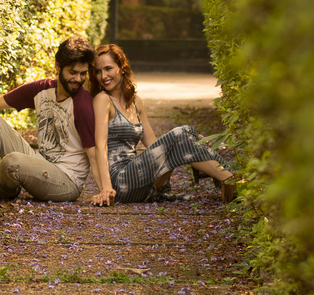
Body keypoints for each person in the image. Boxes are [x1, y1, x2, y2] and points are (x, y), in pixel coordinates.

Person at [0, 36, 104, 202]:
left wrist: (104, 190)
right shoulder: (41, 89)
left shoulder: (83, 104)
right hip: (41, 163)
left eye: (83, 74)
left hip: (67, 182)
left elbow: (94, 154)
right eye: (72, 72)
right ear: (58, 66)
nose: (78, 79)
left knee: (12, 161)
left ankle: (3, 189)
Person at [88, 43, 241, 206]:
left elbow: (154, 145)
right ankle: (233, 181)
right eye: (98, 71)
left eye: (108, 69)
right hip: (120, 182)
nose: (103, 76)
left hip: (141, 178)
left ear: (122, 68)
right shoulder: (102, 100)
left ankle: (231, 181)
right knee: (182, 132)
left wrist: (194, 143)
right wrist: (106, 188)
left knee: (188, 134)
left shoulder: (136, 102)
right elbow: (100, 146)